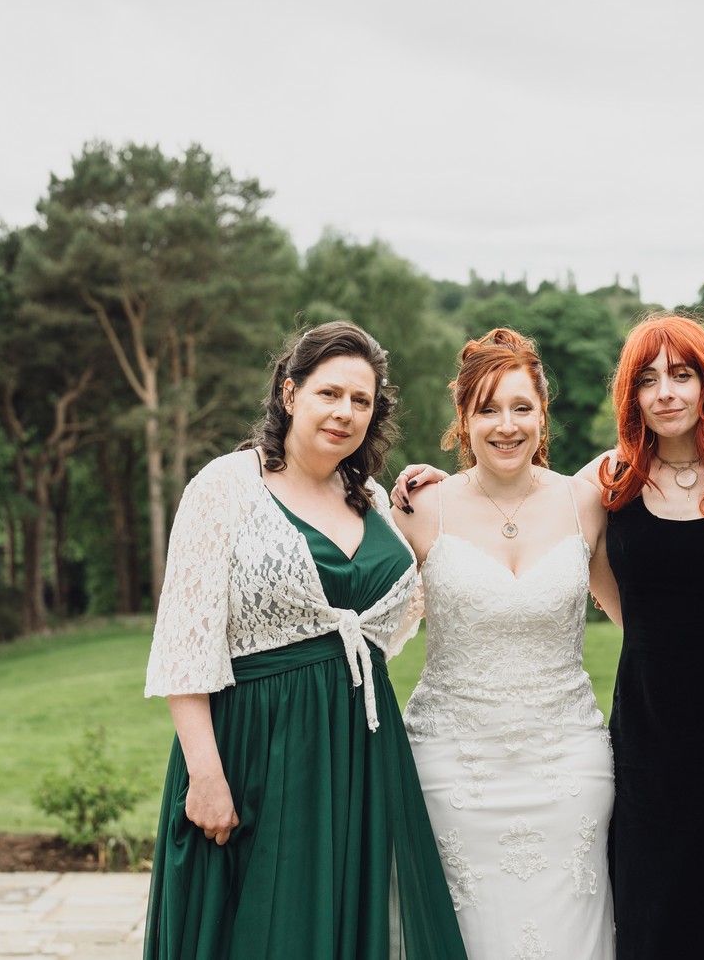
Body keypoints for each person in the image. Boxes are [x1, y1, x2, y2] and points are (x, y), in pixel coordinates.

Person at [394, 312, 704, 958]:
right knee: (646, 914)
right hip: (627, 738)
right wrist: (425, 481)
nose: (665, 392)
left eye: (681, 375)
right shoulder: (609, 481)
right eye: (648, 379)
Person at [142, 322, 468, 960]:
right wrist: (205, 774)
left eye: (361, 400)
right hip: (255, 745)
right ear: (290, 394)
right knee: (264, 931)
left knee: (344, 927)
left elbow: (405, 608)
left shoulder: (374, 500)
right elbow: (185, 641)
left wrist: (447, 494)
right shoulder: (226, 486)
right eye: (329, 393)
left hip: (359, 750)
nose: (345, 411)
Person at [395, 328, 615, 960]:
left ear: (543, 412)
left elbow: (642, 617)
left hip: (567, 769)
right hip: (452, 768)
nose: (506, 425)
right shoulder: (419, 507)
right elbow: (368, 612)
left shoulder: (587, 501)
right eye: (487, 409)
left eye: (522, 407)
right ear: (463, 418)